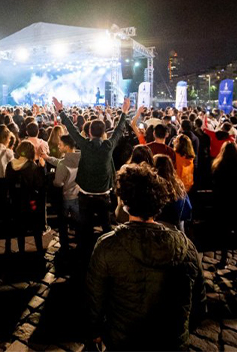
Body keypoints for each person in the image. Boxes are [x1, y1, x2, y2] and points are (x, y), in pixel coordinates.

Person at [86, 163, 206, 351]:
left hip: (124, 341)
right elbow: (199, 305)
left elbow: (95, 300)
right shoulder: (187, 248)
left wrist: (96, 331)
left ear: (125, 204)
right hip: (171, 343)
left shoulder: (107, 246)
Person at [52, 96, 130, 258]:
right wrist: (124, 112)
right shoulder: (108, 145)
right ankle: (108, 252)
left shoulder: (85, 145)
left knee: (85, 226)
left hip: (85, 194)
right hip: (103, 194)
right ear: (103, 133)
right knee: (106, 225)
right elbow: (118, 130)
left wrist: (61, 111)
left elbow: (72, 130)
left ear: (89, 132)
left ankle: (85, 253)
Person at [5, 141, 47, 254]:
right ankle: (39, 250)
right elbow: (40, 184)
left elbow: (7, 182)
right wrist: (42, 168)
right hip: (31, 202)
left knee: (20, 229)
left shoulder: (10, 165)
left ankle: (21, 250)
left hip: (15, 202)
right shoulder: (33, 167)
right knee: (36, 229)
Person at [211, 142, 237, 268]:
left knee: (224, 232)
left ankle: (223, 259)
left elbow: (215, 186)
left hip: (224, 203)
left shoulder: (219, 165)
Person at [44, 134, 80, 252]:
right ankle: (79, 242)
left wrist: (53, 181)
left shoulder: (63, 164)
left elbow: (58, 183)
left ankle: (64, 245)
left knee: (63, 222)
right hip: (78, 194)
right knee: (78, 221)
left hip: (66, 196)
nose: (58, 146)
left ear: (67, 147)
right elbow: (60, 162)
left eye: (60, 145)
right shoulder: (81, 157)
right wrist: (48, 158)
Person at [154, 154, 191, 231]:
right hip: (175, 228)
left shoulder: (151, 186)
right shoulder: (178, 186)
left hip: (155, 228)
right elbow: (187, 209)